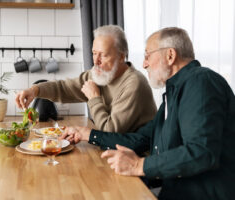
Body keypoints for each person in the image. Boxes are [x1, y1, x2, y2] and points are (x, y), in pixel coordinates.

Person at [61, 27, 235, 200]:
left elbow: (201, 152)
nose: (144, 64)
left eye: (147, 55)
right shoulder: (174, 92)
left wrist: (139, 165)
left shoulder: (201, 82)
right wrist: (88, 134)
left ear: (170, 55)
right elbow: (140, 139)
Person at [16, 25, 156, 133]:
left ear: (121, 56)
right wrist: (35, 90)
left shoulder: (134, 84)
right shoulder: (100, 74)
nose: (96, 61)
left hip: (138, 158)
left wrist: (94, 98)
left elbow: (110, 130)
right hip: (115, 151)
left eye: (103, 55)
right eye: (94, 53)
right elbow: (65, 88)